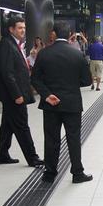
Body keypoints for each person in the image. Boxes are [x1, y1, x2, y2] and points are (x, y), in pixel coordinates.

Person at [31, 20, 93, 184]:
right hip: (72, 103)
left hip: (50, 104)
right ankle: (77, 173)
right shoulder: (77, 54)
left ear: (54, 33)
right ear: (70, 34)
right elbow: (87, 81)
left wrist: (47, 94)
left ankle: (50, 173)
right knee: (73, 138)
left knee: (51, 139)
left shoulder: (44, 53)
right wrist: (71, 85)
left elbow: (35, 79)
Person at [0, 16, 43, 167]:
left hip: (15, 93)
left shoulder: (15, 44)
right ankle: (32, 158)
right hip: (14, 95)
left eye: (24, 27)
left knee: (8, 125)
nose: (23, 30)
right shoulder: (6, 44)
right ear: (11, 29)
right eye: (19, 28)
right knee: (22, 125)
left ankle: (2, 154)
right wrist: (17, 95)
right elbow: (7, 73)